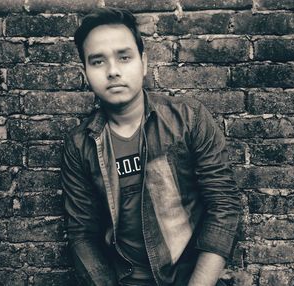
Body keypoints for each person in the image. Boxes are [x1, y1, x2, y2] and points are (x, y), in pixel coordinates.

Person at [61, 7, 241, 286]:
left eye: (124, 57)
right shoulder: (79, 145)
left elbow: (224, 207)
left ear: (143, 62)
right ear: (84, 72)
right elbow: (83, 234)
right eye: (98, 61)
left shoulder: (188, 119)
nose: (112, 71)